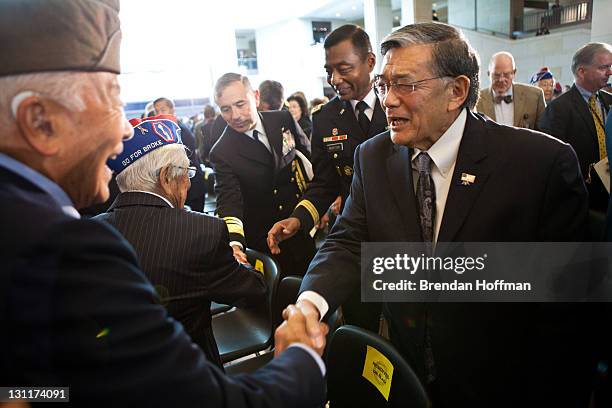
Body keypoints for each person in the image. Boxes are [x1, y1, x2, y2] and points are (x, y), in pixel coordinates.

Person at [0, 1, 326, 406]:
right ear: (39, 121)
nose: (123, 130)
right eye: (113, 99)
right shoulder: (66, 249)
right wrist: (303, 357)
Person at [276, 22, 601, 407]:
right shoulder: (373, 156)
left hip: (503, 383)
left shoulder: (540, 165)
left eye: (405, 85)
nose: (388, 101)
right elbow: (348, 242)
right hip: (407, 374)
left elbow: (567, 314)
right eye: (383, 84)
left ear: (457, 91)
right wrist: (308, 306)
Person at [94, 115, 266, 369]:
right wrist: (240, 261)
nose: (188, 182)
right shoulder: (202, 233)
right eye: (187, 174)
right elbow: (253, 291)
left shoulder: (89, 231)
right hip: (191, 379)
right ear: (166, 177)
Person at [268, 24, 387, 332]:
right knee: (363, 326)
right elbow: (324, 183)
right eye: (329, 70)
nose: (335, 79)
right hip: (354, 238)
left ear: (370, 62)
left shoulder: (397, 105)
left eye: (344, 69)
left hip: (399, 235)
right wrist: (298, 220)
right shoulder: (326, 118)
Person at [210, 73, 316, 277]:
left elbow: (309, 156)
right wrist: (234, 243)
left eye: (241, 104)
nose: (235, 115)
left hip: (299, 225)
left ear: (256, 97)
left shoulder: (282, 119)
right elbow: (229, 200)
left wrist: (315, 209)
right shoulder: (222, 151)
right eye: (226, 109)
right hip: (264, 240)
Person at [539, 42, 612, 215]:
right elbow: (551, 162)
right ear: (581, 71)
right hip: (579, 202)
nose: (610, 72)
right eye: (604, 67)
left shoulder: (609, 102)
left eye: (610, 67)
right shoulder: (558, 110)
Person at [153, 96, 207, 211]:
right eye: (156, 111)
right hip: (181, 187)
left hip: (192, 187)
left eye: (163, 110)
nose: (159, 114)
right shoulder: (168, 130)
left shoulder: (178, 130)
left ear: (173, 110)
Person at [476, 51, 546, 129]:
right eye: (496, 75)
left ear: (514, 73)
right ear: (489, 74)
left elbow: (544, 133)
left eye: (506, 74)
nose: (501, 79)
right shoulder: (477, 100)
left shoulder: (534, 96)